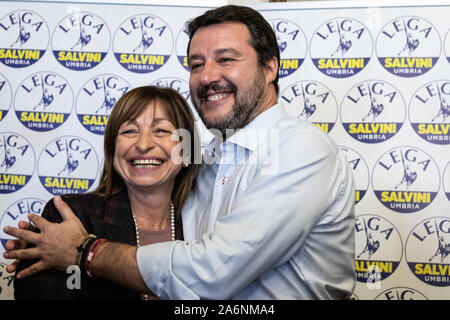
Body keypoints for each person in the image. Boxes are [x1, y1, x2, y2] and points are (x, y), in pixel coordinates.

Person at [4, 5, 356, 299]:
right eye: (196, 64)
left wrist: (86, 252)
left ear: (270, 68)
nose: (207, 76)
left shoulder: (300, 149)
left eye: (226, 59)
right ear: (112, 144)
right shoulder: (77, 215)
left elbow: (213, 272)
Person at [11, 85, 199, 299]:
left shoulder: (206, 223)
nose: (143, 144)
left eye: (162, 131)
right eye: (129, 131)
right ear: (113, 150)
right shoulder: (71, 215)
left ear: (186, 152)